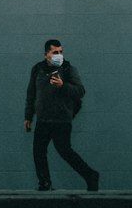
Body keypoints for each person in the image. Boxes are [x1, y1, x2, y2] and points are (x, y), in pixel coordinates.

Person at [24, 38, 99, 192]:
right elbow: (31, 93)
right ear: (46, 54)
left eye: (61, 52)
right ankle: (44, 183)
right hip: (43, 119)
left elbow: (80, 91)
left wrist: (62, 85)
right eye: (55, 52)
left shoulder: (68, 69)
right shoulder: (37, 69)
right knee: (38, 151)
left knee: (65, 151)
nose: (59, 55)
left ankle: (90, 175)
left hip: (61, 119)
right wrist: (28, 116)